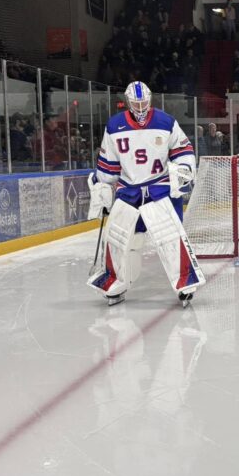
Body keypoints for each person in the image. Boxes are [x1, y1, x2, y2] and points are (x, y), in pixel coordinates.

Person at [87, 81, 205, 307]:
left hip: (158, 188)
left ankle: (185, 283)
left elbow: (183, 150)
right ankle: (115, 282)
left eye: (143, 102)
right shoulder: (114, 126)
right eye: (136, 102)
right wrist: (101, 185)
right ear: (128, 101)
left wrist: (184, 168)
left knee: (171, 236)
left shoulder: (166, 121)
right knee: (118, 239)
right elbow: (108, 166)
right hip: (128, 191)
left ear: (150, 100)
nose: (140, 107)